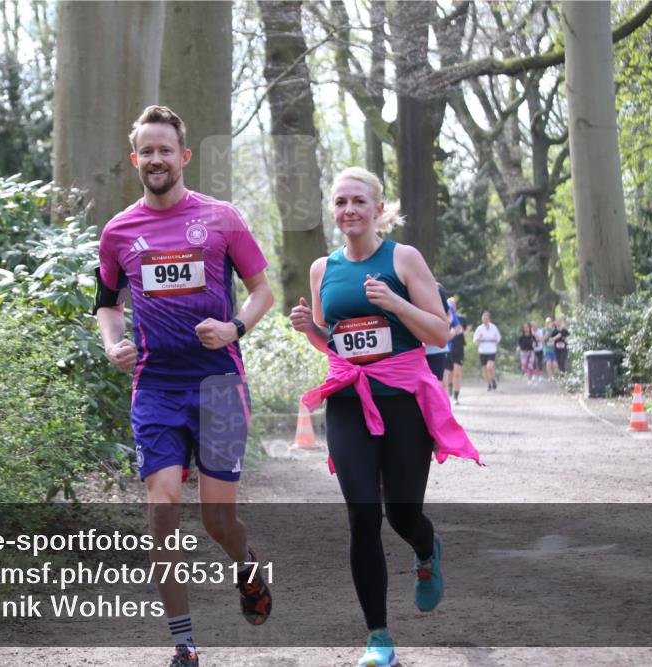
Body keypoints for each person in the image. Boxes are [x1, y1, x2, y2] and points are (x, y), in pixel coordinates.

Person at [94, 105, 275, 667]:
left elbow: (262, 291)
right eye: (146, 151)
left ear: (183, 157)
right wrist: (112, 344)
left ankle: (246, 565)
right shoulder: (119, 230)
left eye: (164, 150)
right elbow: (106, 305)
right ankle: (184, 645)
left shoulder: (222, 218)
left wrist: (234, 327)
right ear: (135, 159)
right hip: (156, 388)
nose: (155, 159)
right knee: (162, 505)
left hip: (219, 385)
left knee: (218, 519)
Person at [288, 167, 480, 667]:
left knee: (401, 513)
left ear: (377, 208)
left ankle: (425, 548)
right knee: (361, 517)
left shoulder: (402, 258)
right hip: (349, 401)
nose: (348, 210)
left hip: (403, 402)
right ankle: (378, 638)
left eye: (358, 201)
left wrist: (394, 300)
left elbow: (440, 334)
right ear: (333, 211)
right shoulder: (321, 268)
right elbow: (335, 345)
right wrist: (312, 328)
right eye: (339, 202)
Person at [424, 285, 455, 382]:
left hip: (437, 349)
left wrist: (445, 325)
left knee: (438, 383)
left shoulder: (437, 289)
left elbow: (449, 314)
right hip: (418, 349)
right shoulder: (410, 287)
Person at [472, 311, 501, 391]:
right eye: (483, 318)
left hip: (491, 350)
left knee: (489, 367)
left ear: (489, 319)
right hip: (482, 351)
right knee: (485, 370)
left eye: (486, 318)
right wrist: (479, 338)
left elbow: (499, 338)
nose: (484, 320)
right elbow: (474, 340)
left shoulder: (493, 327)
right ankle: (489, 383)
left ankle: (493, 379)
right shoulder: (479, 328)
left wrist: (495, 339)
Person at [446, 298, 467, 404]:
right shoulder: (443, 316)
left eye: (452, 304)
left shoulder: (461, 319)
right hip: (447, 349)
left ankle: (456, 397)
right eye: (449, 304)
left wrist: (458, 330)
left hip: (459, 348)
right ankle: (448, 394)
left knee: (457, 373)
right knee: (448, 374)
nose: (451, 306)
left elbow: (464, 333)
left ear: (455, 306)